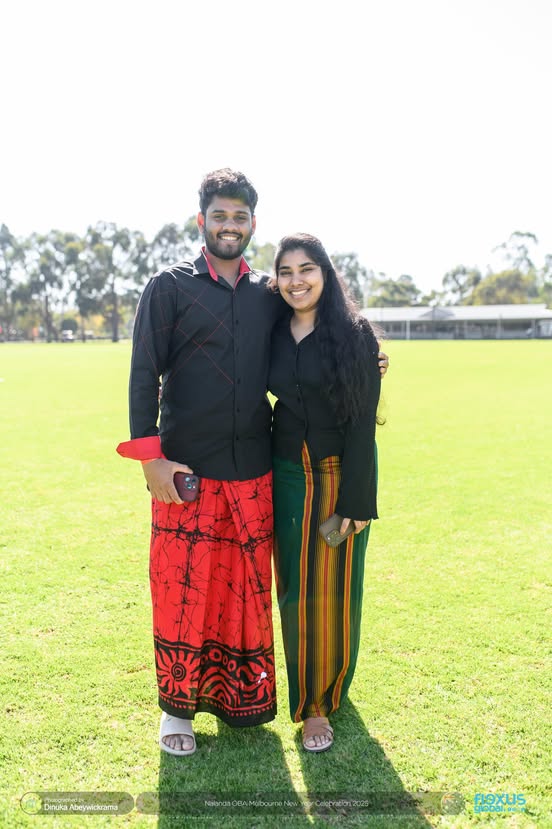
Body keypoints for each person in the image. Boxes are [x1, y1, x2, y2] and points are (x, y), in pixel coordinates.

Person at [117, 169, 390, 757]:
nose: (229, 226)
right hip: (185, 472)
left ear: (252, 225)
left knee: (243, 593)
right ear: (202, 221)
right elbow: (144, 375)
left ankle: (242, 701)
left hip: (257, 473)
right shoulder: (167, 288)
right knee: (183, 592)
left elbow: (317, 335)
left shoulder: (267, 292)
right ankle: (176, 714)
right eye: (220, 216)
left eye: (240, 218)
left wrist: (368, 358)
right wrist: (150, 460)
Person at [268, 233, 382, 753]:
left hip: (337, 476)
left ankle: (319, 704)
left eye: (307, 269)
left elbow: (362, 424)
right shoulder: (271, 326)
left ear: (326, 274)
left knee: (331, 593)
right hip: (285, 474)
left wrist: (357, 503)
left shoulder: (353, 334)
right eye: (286, 271)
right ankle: (309, 684)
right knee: (293, 591)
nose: (297, 281)